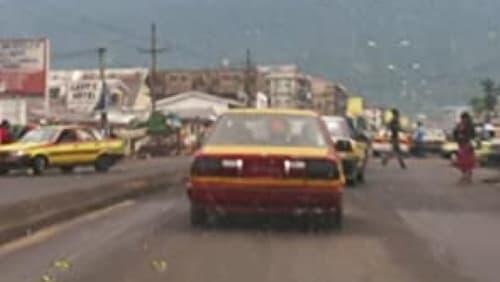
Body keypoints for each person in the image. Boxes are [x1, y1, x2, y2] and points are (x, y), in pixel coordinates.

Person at [453, 112, 476, 183]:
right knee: (462, 161)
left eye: (465, 118)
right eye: (463, 118)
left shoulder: (470, 125)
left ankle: (467, 176)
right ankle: (465, 175)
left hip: (468, 144)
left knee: (468, 161)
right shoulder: (459, 125)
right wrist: (458, 135)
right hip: (462, 144)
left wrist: (465, 137)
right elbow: (455, 133)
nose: (463, 120)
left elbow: (473, 135)